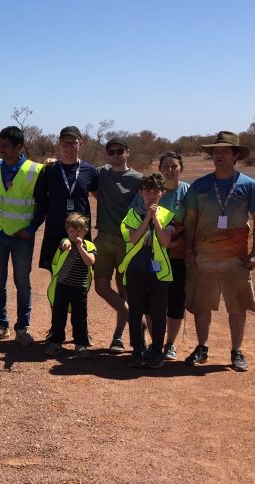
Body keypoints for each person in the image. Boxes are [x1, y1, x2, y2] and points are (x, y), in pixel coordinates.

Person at [182, 131, 255, 371]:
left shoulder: (249, 186)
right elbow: (190, 221)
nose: (218, 155)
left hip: (236, 258)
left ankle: (236, 351)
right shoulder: (200, 185)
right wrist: (188, 250)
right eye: (215, 152)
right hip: (204, 256)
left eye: (224, 151)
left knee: (237, 305)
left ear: (235, 155)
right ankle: (202, 348)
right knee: (201, 305)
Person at [0, 126, 44, 346]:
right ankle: (0, 325)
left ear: (19, 147)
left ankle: (22, 327)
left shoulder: (36, 170)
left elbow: (42, 204)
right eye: (0, 145)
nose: (1, 150)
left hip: (22, 236)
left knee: (22, 281)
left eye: (6, 146)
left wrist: (32, 228)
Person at [92, 137, 144, 353]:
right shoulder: (101, 173)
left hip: (127, 241)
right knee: (101, 287)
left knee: (126, 290)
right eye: (111, 152)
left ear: (127, 152)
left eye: (119, 151)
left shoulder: (138, 179)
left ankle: (119, 337)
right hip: (103, 239)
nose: (115, 155)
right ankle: (136, 320)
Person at [118, 173, 175, 368]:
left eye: (155, 192)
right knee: (135, 311)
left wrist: (156, 219)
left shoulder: (168, 215)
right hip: (136, 269)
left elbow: (166, 242)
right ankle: (136, 350)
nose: (151, 195)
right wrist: (147, 218)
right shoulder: (131, 215)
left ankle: (157, 350)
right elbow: (132, 238)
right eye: (147, 191)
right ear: (141, 193)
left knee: (158, 312)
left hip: (159, 273)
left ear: (162, 193)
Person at [32, 126, 100, 273]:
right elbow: (41, 202)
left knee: (80, 274)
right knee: (56, 275)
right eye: (65, 143)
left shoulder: (90, 170)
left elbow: (101, 198)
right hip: (55, 230)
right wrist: (32, 226)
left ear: (80, 143)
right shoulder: (49, 170)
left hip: (80, 231)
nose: (69, 147)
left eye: (73, 143)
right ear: (59, 144)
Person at [150, 152, 190, 360]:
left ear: (181, 168)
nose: (170, 170)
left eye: (174, 166)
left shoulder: (188, 192)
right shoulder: (154, 191)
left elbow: (194, 225)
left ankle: (170, 344)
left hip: (178, 256)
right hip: (155, 255)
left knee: (175, 301)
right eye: (166, 166)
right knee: (154, 300)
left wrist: (176, 243)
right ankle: (155, 341)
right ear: (160, 168)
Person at [44, 213, 97, 357]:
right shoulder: (65, 242)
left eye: (78, 231)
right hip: (62, 286)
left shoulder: (89, 246)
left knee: (79, 317)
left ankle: (81, 344)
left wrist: (80, 247)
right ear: (67, 231)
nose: (75, 234)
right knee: (58, 315)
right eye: (72, 231)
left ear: (85, 231)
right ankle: (56, 342)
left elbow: (90, 262)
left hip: (79, 288)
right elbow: (64, 244)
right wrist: (65, 243)